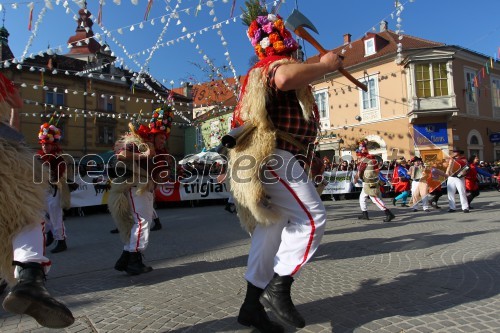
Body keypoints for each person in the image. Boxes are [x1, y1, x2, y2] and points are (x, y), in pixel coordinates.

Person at [227, 2, 343, 331]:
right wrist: (325, 65)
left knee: (272, 229)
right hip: (275, 154)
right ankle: (279, 287)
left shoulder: (266, 70)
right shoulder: (273, 66)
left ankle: (251, 306)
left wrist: (313, 156)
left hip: (283, 155)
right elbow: (285, 77)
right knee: (312, 218)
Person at [0, 72, 74, 328]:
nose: (45, 145)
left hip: (49, 187)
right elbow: (13, 121)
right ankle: (30, 278)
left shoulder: (57, 156)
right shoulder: (42, 154)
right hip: (24, 177)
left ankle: (56, 245)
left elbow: (58, 171)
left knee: (42, 216)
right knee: (28, 219)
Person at [107, 107, 172, 275]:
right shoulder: (141, 144)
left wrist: (164, 175)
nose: (163, 141)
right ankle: (134, 260)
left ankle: (125, 258)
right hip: (136, 187)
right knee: (142, 222)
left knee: (145, 222)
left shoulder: (162, 152)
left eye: (165, 138)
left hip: (147, 189)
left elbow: (160, 174)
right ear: (153, 135)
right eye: (161, 137)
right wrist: (144, 156)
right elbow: (121, 154)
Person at [37, 120, 72, 253]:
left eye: (47, 144)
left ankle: (61, 240)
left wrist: (46, 169)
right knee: (44, 215)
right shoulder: (40, 157)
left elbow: (58, 175)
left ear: (53, 145)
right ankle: (51, 233)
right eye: (43, 144)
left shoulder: (58, 158)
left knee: (55, 215)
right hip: (43, 190)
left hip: (54, 189)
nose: (45, 147)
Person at [354, 140, 396, 222]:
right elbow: (376, 170)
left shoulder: (365, 160)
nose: (358, 158)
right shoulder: (372, 159)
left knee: (375, 198)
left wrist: (356, 178)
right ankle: (364, 214)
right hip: (368, 182)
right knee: (362, 197)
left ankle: (388, 213)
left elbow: (360, 171)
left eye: (358, 156)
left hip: (369, 183)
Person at [446, 149, 470, 213]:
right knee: (450, 193)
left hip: (459, 178)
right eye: (453, 152)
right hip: (451, 177)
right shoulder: (450, 159)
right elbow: (446, 166)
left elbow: (467, 167)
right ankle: (452, 207)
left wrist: (461, 174)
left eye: (455, 152)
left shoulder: (463, 159)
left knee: (462, 192)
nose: (454, 153)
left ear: (459, 153)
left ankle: (465, 207)